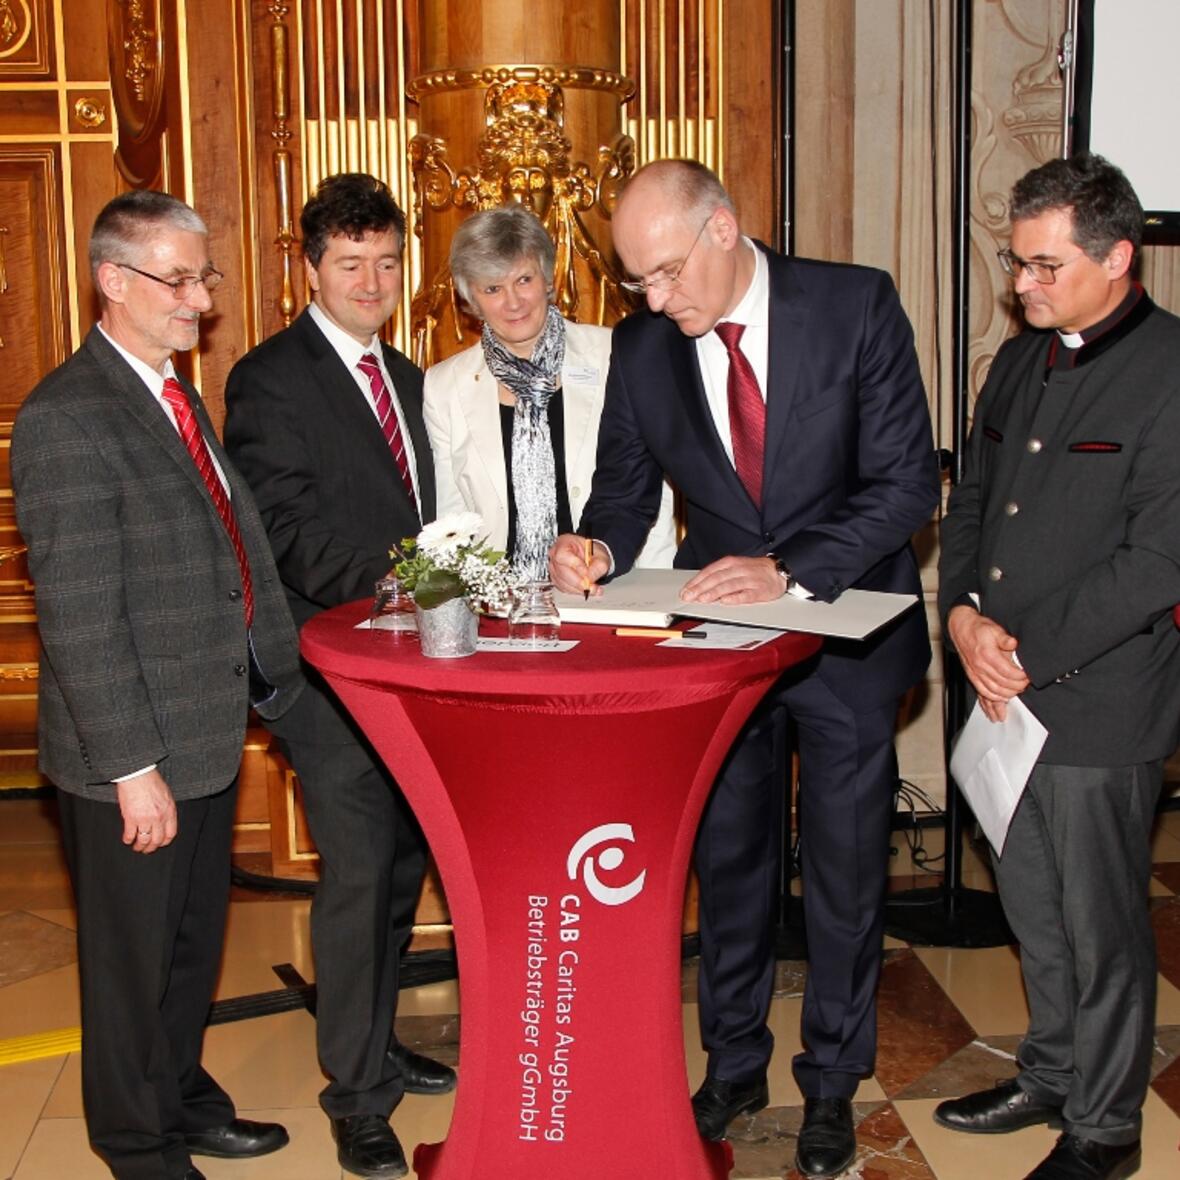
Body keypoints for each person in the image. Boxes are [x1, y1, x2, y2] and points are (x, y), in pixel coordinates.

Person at [550, 159, 938, 1178]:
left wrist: (791, 568)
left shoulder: (852, 303)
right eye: (636, 283)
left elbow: (905, 483)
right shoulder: (644, 348)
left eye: (668, 273)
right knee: (727, 862)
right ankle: (731, 1063)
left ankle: (830, 1082)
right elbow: (625, 492)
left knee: (846, 872)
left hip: (842, 629)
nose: (655, 301)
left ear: (722, 228)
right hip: (716, 645)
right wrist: (590, 542)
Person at [11, 190, 304, 1180]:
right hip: (133, 753)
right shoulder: (67, 416)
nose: (199, 298)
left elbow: (228, 555)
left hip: (205, 730)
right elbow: (83, 620)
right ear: (113, 279)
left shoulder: (173, 394)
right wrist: (131, 766)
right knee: (131, 966)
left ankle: (179, 1094)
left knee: (188, 947)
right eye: (179, 279)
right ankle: (136, 1143)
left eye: (203, 274)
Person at [935, 154, 1180, 1180]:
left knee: (1102, 922)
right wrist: (958, 617)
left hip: (1100, 699)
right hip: (1002, 689)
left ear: (1117, 257)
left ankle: (1105, 1127)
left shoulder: (1170, 374)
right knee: (1031, 901)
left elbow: (1155, 560)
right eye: (1016, 263)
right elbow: (975, 503)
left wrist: (1020, 654)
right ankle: (1050, 1069)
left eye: (1043, 266)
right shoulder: (1020, 360)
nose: (1021, 285)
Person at [223, 172, 452, 1180]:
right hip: (329, 675)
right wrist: (415, 578)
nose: (372, 280)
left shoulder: (411, 379)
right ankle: (356, 1099)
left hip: (413, 675)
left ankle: (374, 1040)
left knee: (403, 867)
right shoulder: (270, 378)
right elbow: (282, 532)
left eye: (387, 263)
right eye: (350, 264)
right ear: (309, 267)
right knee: (358, 877)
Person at [423, 204, 676, 576]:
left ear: (546, 277)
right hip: (501, 602)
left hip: (612, 584)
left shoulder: (615, 356)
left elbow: (654, 493)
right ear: (471, 300)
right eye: (493, 288)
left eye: (523, 280)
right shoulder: (444, 386)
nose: (513, 302)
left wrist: (658, 590)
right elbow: (451, 523)